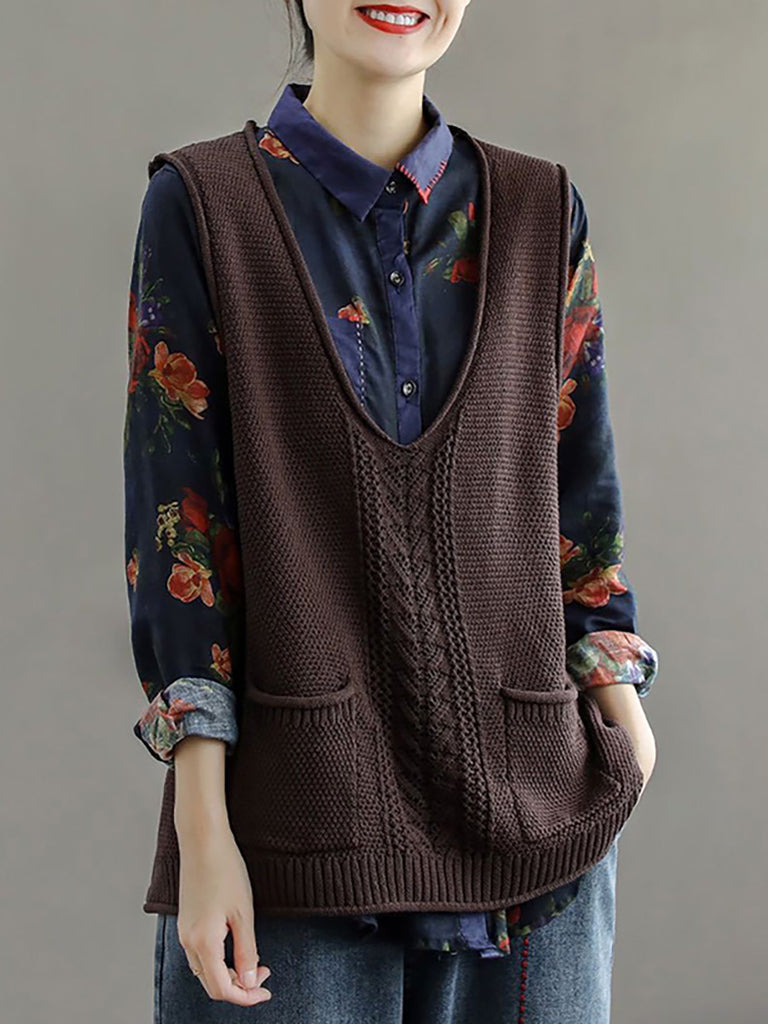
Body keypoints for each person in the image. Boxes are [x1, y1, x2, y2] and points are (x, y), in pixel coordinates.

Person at [123, 2, 659, 1020]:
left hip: (539, 846)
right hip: (293, 838)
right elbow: (179, 533)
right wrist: (201, 829)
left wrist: (624, 722)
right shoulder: (202, 205)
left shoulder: (542, 210)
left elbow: (580, 495)